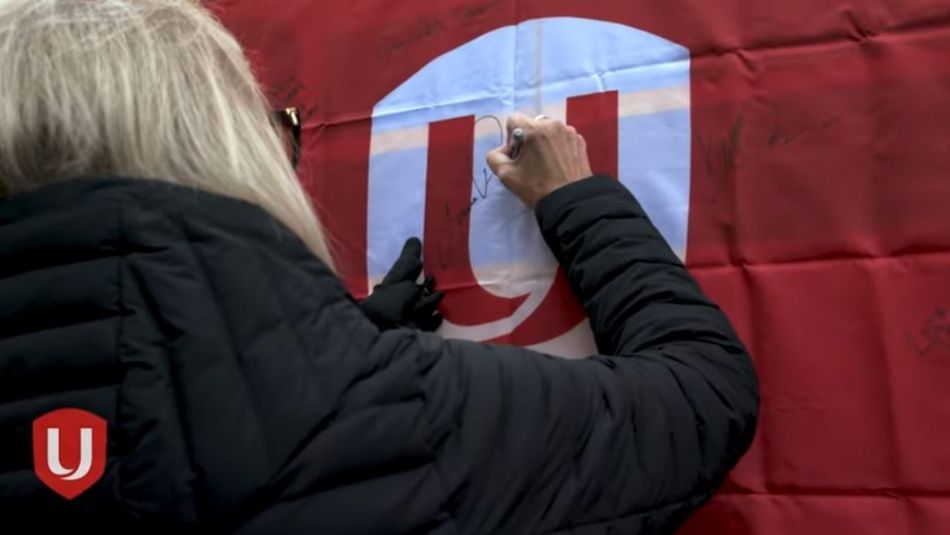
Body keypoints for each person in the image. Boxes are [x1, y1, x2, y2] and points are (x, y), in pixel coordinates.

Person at [0, 1, 759, 533]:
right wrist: (577, 198)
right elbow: (702, 392)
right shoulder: (382, 419)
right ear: (219, 141)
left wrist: (334, 335)